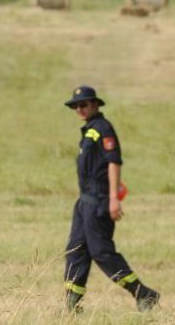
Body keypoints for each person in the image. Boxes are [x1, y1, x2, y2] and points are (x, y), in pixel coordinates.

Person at [62, 85, 160, 313]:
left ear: (95, 104)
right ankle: (71, 306)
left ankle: (143, 294)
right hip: (84, 202)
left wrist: (114, 199)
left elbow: (113, 162)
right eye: (76, 106)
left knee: (101, 252)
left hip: (99, 201)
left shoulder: (103, 128)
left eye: (84, 104)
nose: (80, 109)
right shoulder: (88, 131)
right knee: (75, 250)